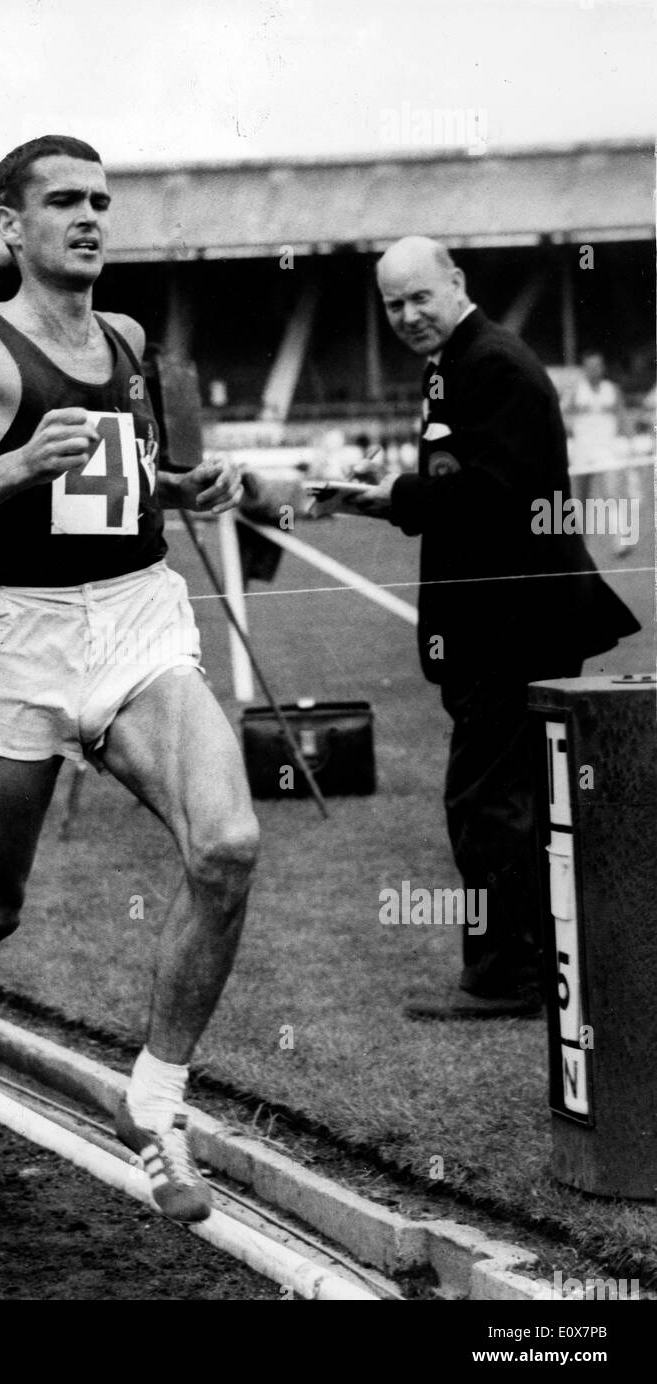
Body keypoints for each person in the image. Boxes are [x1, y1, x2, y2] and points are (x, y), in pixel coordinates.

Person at [0, 134, 257, 1221]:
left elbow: (121, 478)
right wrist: (10, 466)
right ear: (10, 226)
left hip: (137, 619)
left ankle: (155, 1098)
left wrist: (191, 481)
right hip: (16, 638)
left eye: (101, 200)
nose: (90, 218)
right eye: (62, 203)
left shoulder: (129, 336)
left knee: (226, 845)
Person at [344, 237, 639, 1021]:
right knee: (510, 798)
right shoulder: (456, 361)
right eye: (392, 303)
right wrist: (398, 491)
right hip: (498, 619)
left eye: (418, 297)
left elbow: (497, 498)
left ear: (456, 282)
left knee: (487, 802)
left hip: (515, 621)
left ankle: (506, 977)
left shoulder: (494, 364)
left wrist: (391, 498)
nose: (406, 315)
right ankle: (539, 962)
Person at [562, 352, 639, 556]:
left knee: (611, 495)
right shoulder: (575, 391)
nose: (594, 370)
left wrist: (631, 443)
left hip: (606, 452)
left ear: (602, 367)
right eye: (590, 366)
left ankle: (621, 542)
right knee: (580, 500)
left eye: (597, 366)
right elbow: (561, 416)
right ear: (584, 368)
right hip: (582, 454)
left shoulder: (612, 390)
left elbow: (623, 416)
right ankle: (578, 548)